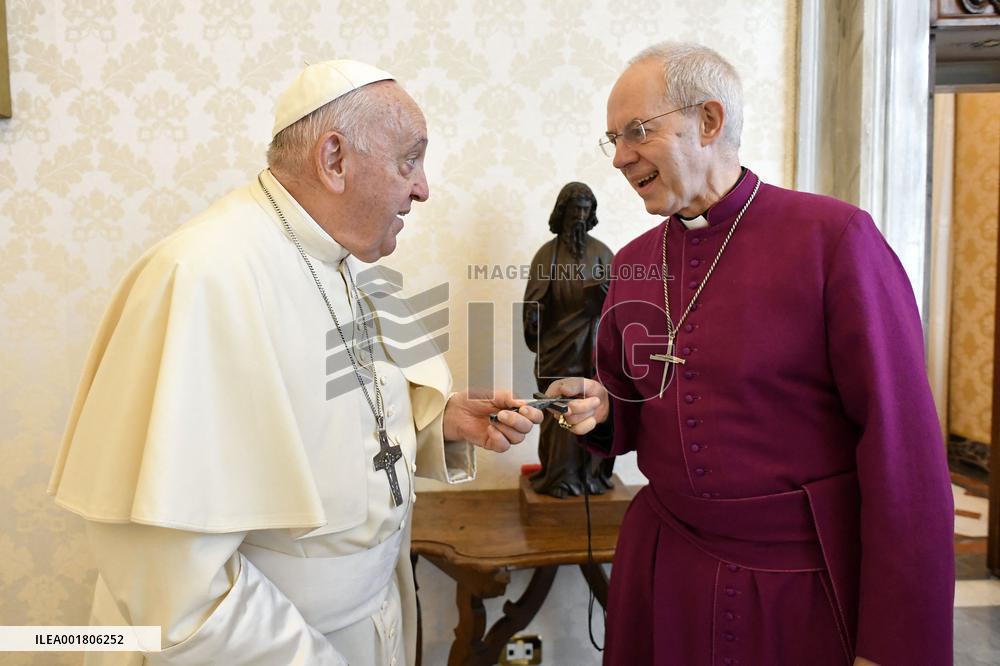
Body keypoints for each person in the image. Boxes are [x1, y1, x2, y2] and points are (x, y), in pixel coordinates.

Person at [48, 60, 542, 666]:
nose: (423, 188)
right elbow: (171, 577)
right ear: (334, 159)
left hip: (368, 617)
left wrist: (437, 424)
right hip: (274, 644)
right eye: (408, 161)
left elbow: (327, 434)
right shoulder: (204, 277)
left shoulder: (342, 265)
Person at [547, 42, 955, 665]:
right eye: (613, 139)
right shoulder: (630, 264)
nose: (621, 157)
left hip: (799, 587)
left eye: (637, 132)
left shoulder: (834, 241)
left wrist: (896, 643)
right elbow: (628, 403)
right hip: (665, 570)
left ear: (709, 121)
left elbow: (903, 454)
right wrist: (599, 407)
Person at [523, 182, 615, 497]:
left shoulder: (603, 253)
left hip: (592, 348)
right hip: (556, 348)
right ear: (562, 212)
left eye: (585, 209)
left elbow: (620, 307)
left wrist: (604, 302)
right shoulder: (546, 255)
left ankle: (592, 477)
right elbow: (533, 303)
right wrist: (533, 317)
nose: (579, 215)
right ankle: (559, 477)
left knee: (592, 409)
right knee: (558, 412)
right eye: (574, 208)